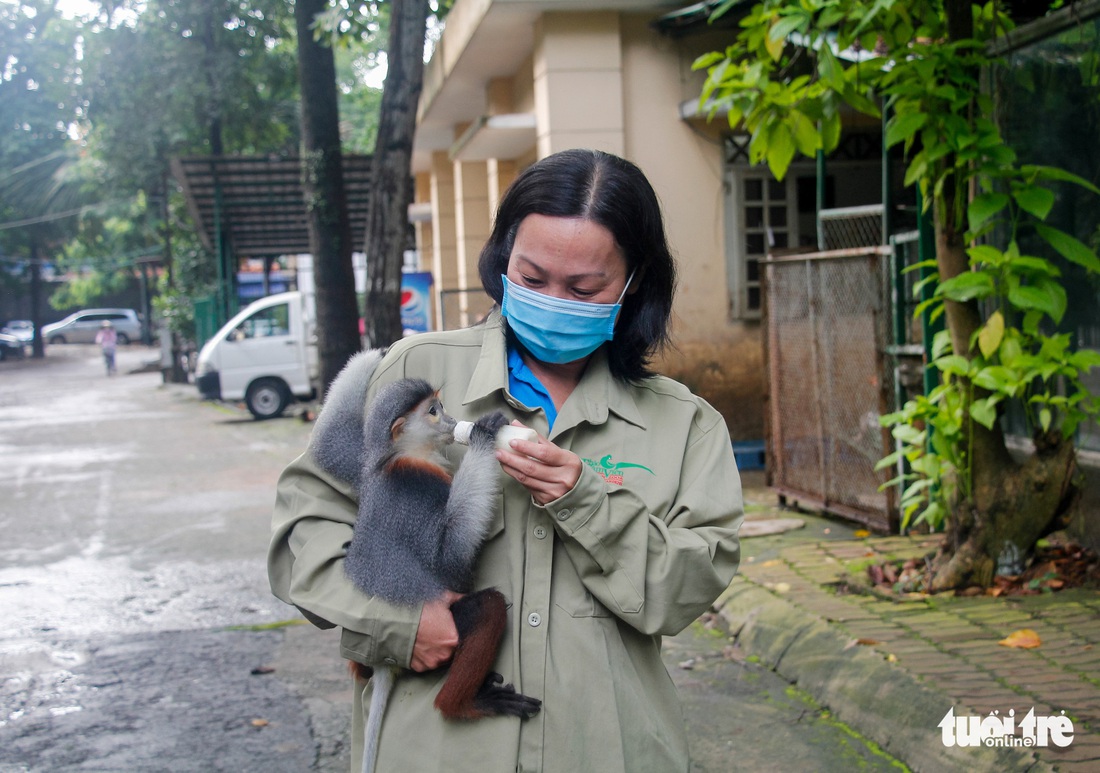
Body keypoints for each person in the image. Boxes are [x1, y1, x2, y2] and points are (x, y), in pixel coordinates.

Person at [268, 148, 743, 772]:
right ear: (502, 261)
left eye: (583, 288)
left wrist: (589, 503)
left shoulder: (684, 424)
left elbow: (683, 594)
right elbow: (305, 533)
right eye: (532, 276)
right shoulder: (415, 372)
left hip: (605, 750)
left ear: (633, 284)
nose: (553, 299)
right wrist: (397, 625)